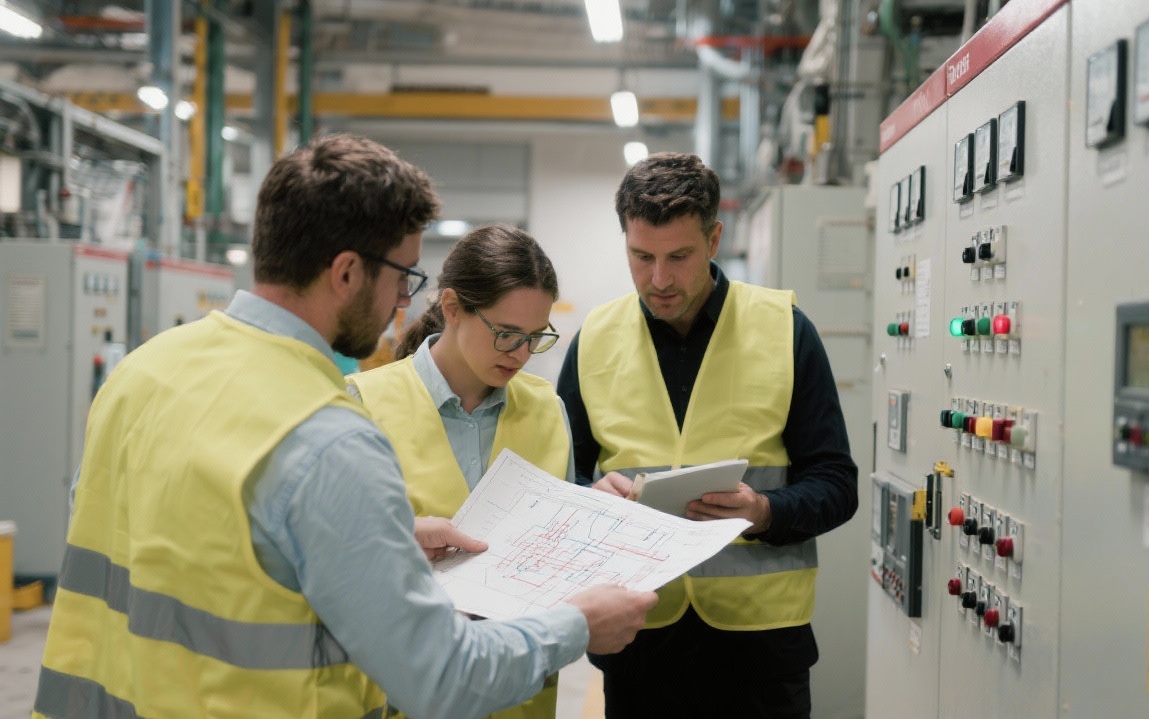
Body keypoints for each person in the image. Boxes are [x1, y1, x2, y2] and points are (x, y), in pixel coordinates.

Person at [34, 133, 656, 719]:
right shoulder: (326, 433)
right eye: (404, 277)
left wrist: (367, 540)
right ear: (347, 273)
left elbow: (181, 552)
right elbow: (440, 676)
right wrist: (577, 623)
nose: (402, 303)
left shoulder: (144, 371)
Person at [556, 152, 858, 719]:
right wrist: (587, 498)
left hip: (761, 646)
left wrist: (763, 510)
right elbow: (559, 483)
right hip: (640, 637)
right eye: (641, 257)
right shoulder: (594, 339)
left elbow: (837, 483)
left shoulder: (786, 332)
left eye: (679, 256)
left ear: (714, 239)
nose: (660, 279)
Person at [346, 224, 569, 719]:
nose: (521, 354)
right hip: (408, 694)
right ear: (452, 309)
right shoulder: (365, 404)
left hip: (522, 698)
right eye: (507, 334)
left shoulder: (548, 411)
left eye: (536, 337)